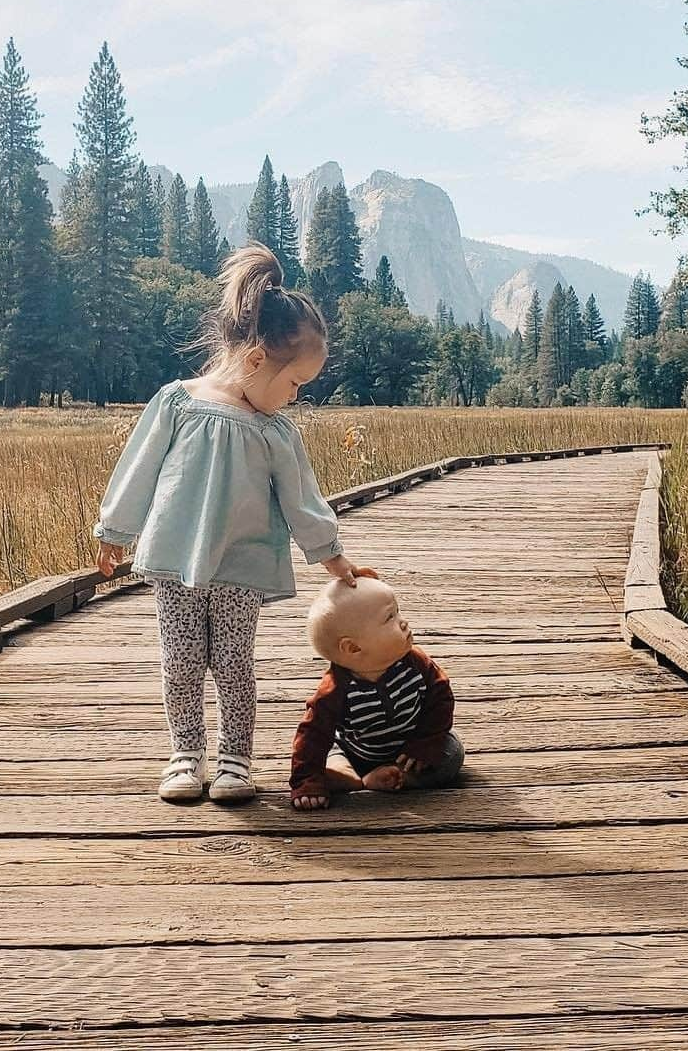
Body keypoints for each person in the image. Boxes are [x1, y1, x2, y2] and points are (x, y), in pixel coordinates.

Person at [93, 245, 372, 805]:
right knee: (181, 660)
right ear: (253, 362)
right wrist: (114, 530)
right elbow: (138, 468)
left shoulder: (274, 433)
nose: (294, 399)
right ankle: (184, 755)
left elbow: (303, 499)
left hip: (241, 564)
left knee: (233, 663)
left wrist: (331, 554)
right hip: (175, 559)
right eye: (294, 385)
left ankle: (235, 760)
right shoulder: (178, 403)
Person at [290, 575, 464, 810]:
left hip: (410, 748)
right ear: (353, 648)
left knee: (452, 754)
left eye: (398, 612)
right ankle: (345, 772)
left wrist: (424, 744)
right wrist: (306, 781)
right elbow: (312, 734)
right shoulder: (335, 690)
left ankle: (398, 776)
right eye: (389, 618)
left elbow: (441, 700)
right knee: (330, 749)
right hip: (356, 750)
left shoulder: (417, 664)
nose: (403, 622)